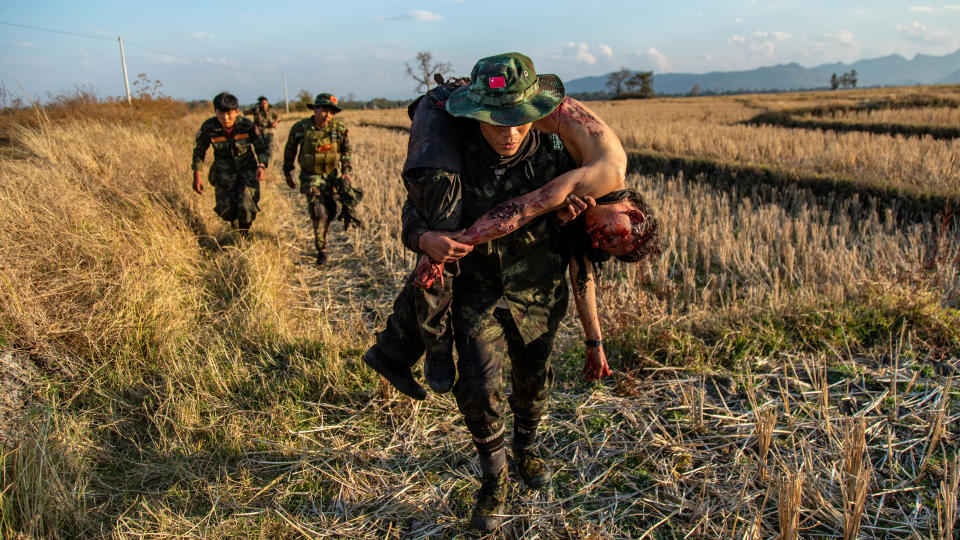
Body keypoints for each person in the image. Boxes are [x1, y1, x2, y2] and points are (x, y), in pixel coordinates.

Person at [366, 53, 661, 531]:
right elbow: (413, 216)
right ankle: (494, 480)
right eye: (496, 122)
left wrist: (594, 336)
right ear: (475, 114)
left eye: (519, 121)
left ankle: (526, 448)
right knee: (478, 391)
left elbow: (574, 252)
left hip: (538, 300)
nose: (508, 133)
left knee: (533, 385)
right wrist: (425, 241)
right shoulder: (453, 156)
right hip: (478, 294)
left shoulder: (560, 158)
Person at [282, 93, 363, 265]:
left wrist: (346, 171)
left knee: (331, 210)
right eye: (324, 110)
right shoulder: (301, 128)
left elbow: (346, 151)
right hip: (311, 176)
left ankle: (323, 239)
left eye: (331, 112)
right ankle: (322, 248)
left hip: (332, 176)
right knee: (319, 212)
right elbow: (290, 150)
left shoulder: (338, 129)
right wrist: (287, 171)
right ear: (315, 109)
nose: (327, 115)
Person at [191, 91, 266, 235]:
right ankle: (234, 225)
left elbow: (260, 148)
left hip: (247, 171)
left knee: (246, 205)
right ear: (215, 112)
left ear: (237, 112)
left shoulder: (246, 125)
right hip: (224, 173)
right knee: (226, 210)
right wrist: (197, 176)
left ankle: (244, 233)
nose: (225, 118)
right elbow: (199, 152)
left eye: (229, 113)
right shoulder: (209, 127)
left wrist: (261, 166)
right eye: (221, 113)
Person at [245, 95, 280, 166]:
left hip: (269, 131)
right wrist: (253, 109)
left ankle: (269, 164)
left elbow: (278, 117)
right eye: (262, 103)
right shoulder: (256, 110)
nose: (264, 105)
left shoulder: (271, 110)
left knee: (269, 147)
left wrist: (275, 122)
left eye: (265, 103)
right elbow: (245, 113)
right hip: (259, 131)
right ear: (259, 104)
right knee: (261, 148)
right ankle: (262, 163)